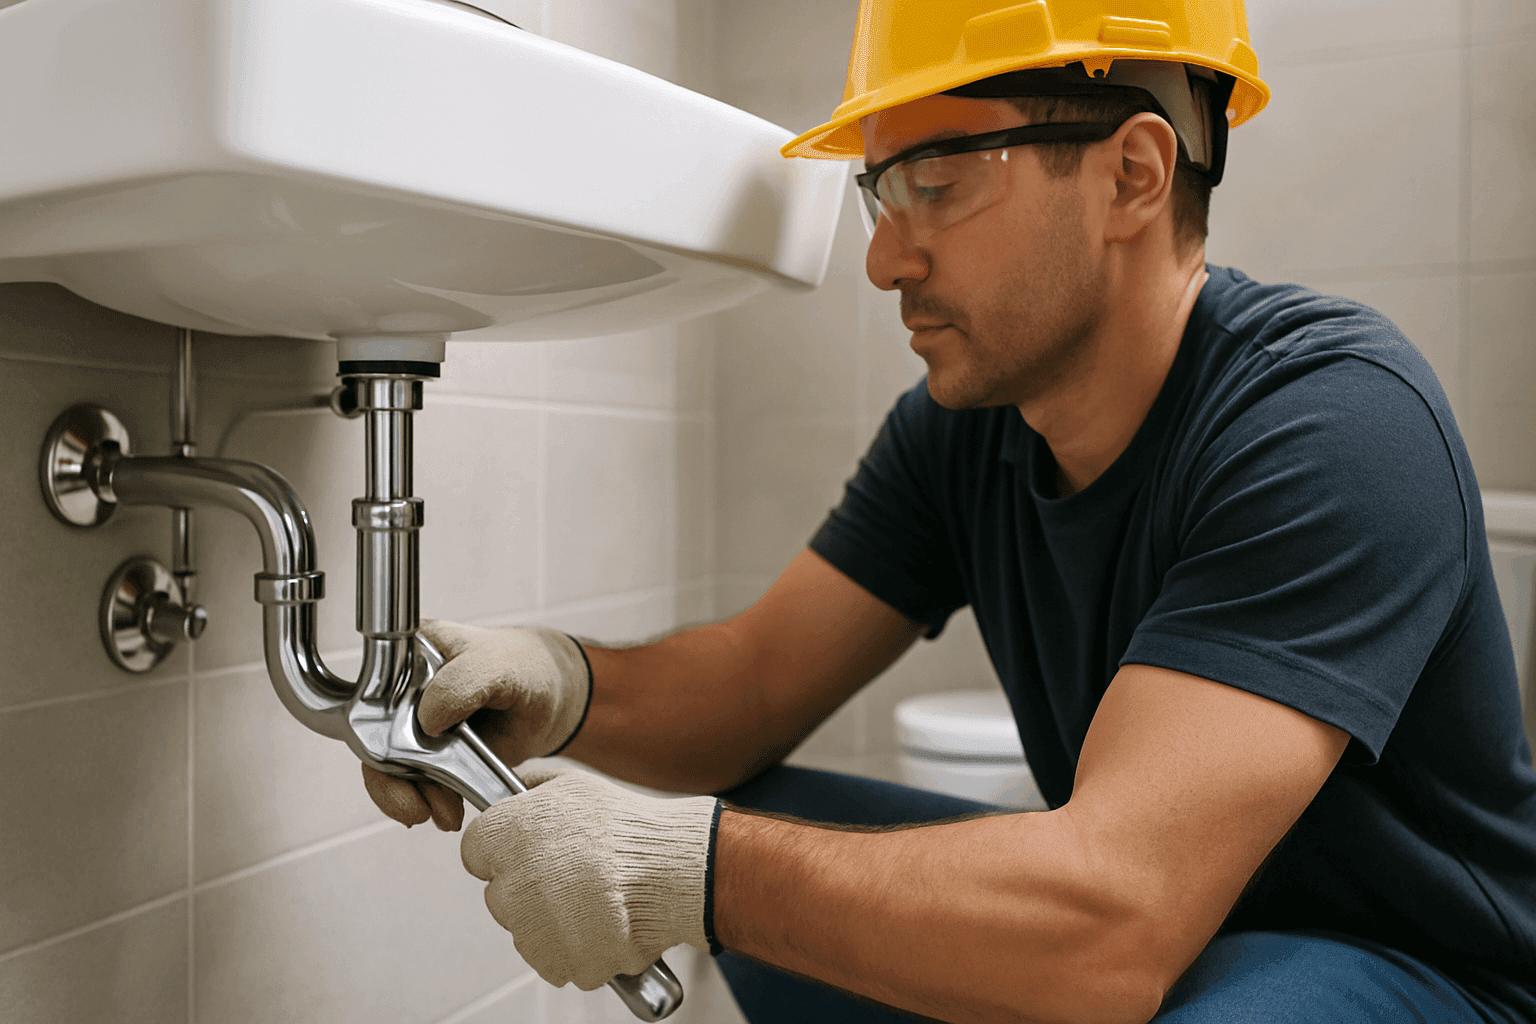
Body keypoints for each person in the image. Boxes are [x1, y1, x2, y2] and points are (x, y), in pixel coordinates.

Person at [362, 1, 1536, 1021]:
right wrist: (562, 684)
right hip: (1163, 936)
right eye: (882, 190)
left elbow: (1114, 918)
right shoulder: (969, 424)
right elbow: (757, 685)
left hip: (1411, 971)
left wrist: (696, 871)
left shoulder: (1334, 421)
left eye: (936, 182)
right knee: (763, 818)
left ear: (1133, 174)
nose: (882, 260)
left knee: (813, 879)